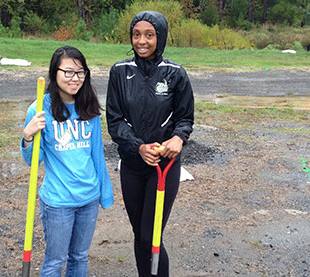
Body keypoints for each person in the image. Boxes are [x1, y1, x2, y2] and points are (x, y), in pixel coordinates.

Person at [105, 11, 194, 276]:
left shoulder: (175, 73)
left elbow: (185, 118)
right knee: (139, 235)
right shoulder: (119, 72)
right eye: (136, 34)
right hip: (133, 164)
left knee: (151, 234)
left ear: (161, 37)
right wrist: (137, 147)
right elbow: (115, 120)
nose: (141, 41)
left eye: (149, 35)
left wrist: (178, 139)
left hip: (163, 166)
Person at [21, 45, 114, 276]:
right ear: (55, 73)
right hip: (59, 202)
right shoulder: (40, 109)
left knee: (80, 257)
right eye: (68, 72)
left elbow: (96, 155)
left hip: (88, 198)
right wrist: (28, 136)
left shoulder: (88, 107)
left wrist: (104, 192)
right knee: (55, 261)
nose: (75, 78)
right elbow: (34, 161)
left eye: (81, 72)